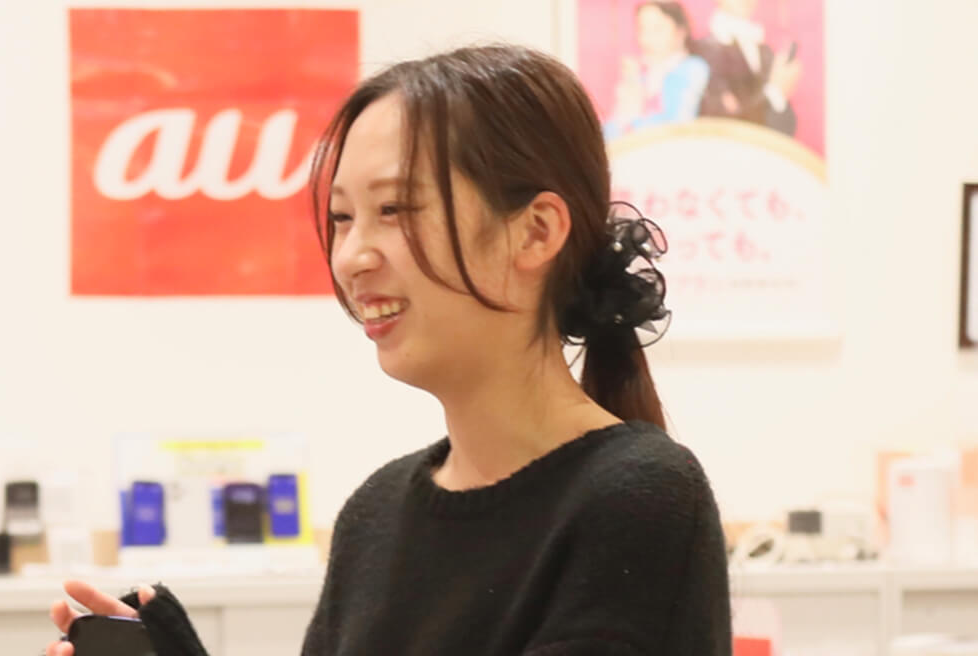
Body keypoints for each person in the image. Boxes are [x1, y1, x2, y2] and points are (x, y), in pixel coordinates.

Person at [45, 44, 732, 656]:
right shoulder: (374, 515)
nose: (351, 256)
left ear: (535, 232)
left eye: (394, 210)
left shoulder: (638, 499)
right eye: (343, 217)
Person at [604, 1, 710, 140]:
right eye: (642, 29)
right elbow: (610, 130)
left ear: (680, 32)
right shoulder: (640, 75)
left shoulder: (692, 68)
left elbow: (676, 124)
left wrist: (630, 124)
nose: (646, 38)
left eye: (657, 29)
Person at [694, 0, 801, 136]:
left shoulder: (765, 51)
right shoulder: (704, 50)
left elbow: (786, 128)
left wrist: (779, 96)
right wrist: (774, 92)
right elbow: (723, 122)